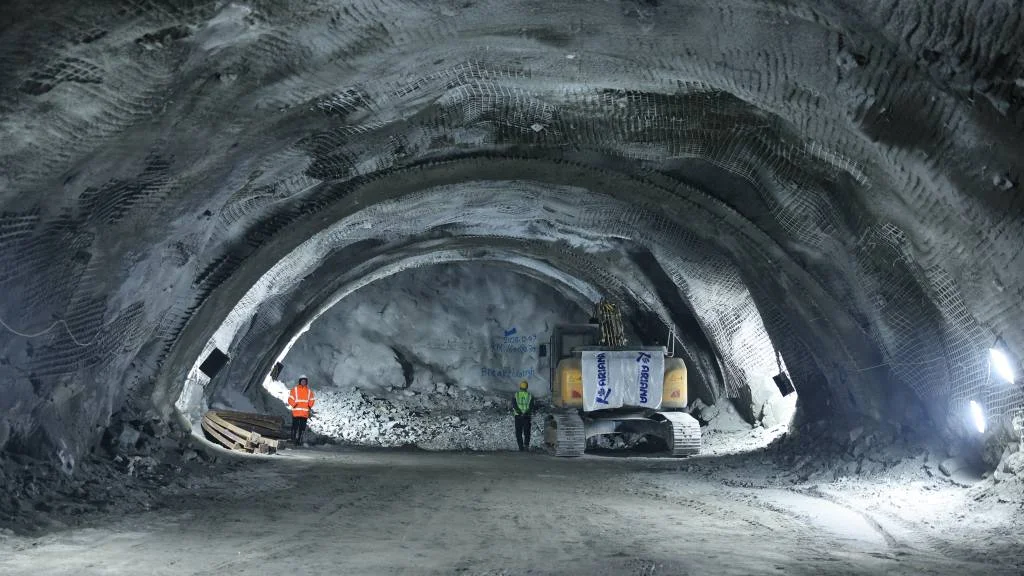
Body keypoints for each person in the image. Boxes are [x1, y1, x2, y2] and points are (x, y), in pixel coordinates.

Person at [287, 375, 315, 444]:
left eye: (304, 381)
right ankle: (293, 439)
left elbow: (312, 400)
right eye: (302, 381)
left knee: (302, 428)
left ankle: (299, 440)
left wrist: (309, 406)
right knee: (295, 426)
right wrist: (294, 405)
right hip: (296, 412)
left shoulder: (309, 391)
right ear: (300, 381)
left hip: (304, 413)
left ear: (306, 382)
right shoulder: (294, 390)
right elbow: (290, 399)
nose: (303, 382)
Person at [513, 380, 535, 451]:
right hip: (526, 416)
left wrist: (519, 412)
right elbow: (531, 406)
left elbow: (514, 405)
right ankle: (526, 445)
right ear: (527, 387)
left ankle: (520, 447)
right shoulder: (530, 395)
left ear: (520, 387)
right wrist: (525, 413)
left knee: (518, 432)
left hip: (518, 416)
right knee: (527, 432)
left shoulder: (516, 395)